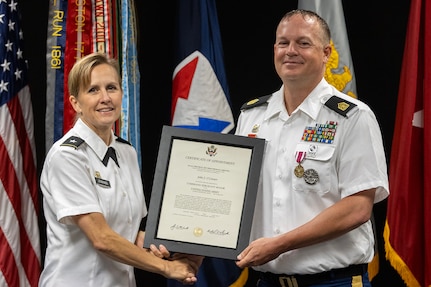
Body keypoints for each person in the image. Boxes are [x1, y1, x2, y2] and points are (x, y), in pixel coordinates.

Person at [234, 9, 389, 287]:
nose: (290, 51)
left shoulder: (353, 117)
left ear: (327, 52)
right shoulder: (251, 116)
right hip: (267, 281)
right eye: (283, 43)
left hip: (332, 281)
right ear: (274, 49)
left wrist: (280, 244)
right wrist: (195, 247)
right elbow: (234, 195)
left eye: (303, 43)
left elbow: (357, 208)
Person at [39, 52, 202, 287]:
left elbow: (129, 230)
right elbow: (102, 238)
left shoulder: (126, 152)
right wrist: (167, 267)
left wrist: (170, 244)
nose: (105, 97)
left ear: (121, 94)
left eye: (111, 87)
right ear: (76, 102)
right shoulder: (67, 156)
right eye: (93, 90)